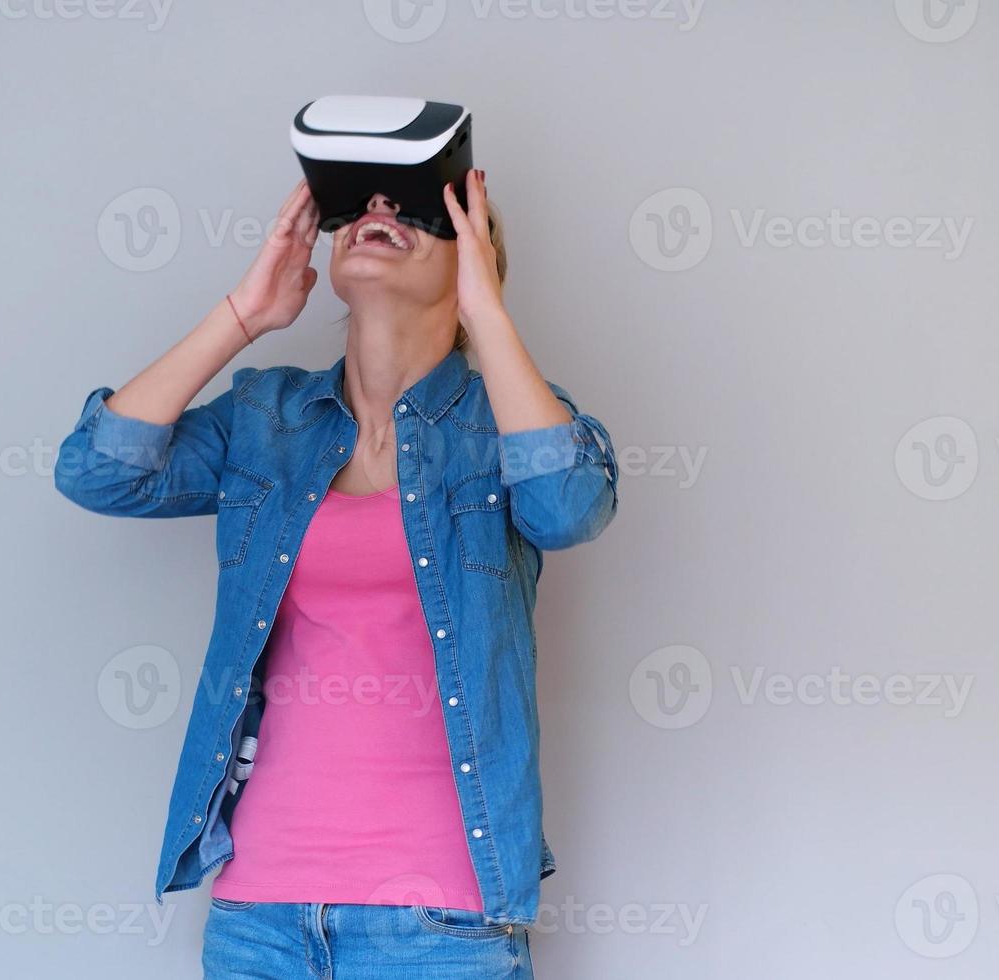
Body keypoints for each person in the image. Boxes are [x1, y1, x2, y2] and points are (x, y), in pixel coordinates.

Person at [55, 169, 618, 978]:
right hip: (261, 917)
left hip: (442, 924)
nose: (380, 212)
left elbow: (569, 507)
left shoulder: (508, 420)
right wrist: (243, 316)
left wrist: (485, 314)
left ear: (477, 255)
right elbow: (97, 473)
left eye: (420, 206)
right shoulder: (265, 419)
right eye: (360, 203)